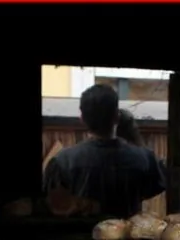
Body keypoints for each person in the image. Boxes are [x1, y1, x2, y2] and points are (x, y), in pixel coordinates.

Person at [43, 84, 165, 218]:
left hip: (78, 237)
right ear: (117, 116)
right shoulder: (145, 159)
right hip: (127, 237)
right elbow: (158, 184)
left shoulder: (63, 162)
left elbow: (51, 203)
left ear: (82, 119)